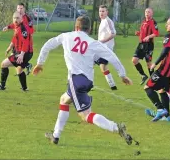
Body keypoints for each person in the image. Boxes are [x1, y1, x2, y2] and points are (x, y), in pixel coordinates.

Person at [33, 16, 135, 145]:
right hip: (87, 82)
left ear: (76, 27)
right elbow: (112, 56)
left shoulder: (66, 36)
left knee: (86, 115)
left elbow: (48, 45)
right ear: (89, 29)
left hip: (75, 81)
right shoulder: (93, 42)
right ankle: (55, 136)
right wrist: (122, 75)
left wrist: (40, 63)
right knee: (64, 100)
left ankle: (116, 127)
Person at [144, 18, 170, 122]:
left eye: (168, 24)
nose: (166, 26)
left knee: (147, 87)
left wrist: (155, 63)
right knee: (162, 91)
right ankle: (168, 116)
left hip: (164, 70)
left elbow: (165, 51)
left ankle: (160, 109)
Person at [0, 11, 34, 91]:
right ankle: (24, 88)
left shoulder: (22, 29)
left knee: (4, 64)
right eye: (14, 18)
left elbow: (26, 42)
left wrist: (21, 55)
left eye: (17, 18)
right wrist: (9, 48)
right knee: (19, 70)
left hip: (25, 53)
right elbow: (14, 39)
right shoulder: (16, 27)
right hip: (24, 52)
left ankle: (2, 85)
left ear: (22, 19)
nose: (15, 20)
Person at [3, 3, 34, 75]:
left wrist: (25, 34)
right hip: (17, 43)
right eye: (18, 8)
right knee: (15, 59)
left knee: (15, 59)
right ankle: (23, 68)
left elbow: (31, 31)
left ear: (24, 9)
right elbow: (14, 25)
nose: (20, 10)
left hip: (24, 44)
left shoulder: (27, 19)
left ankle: (26, 65)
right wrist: (8, 27)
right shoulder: (17, 17)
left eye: (21, 8)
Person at [133, 8, 159, 85]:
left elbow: (156, 33)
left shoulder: (153, 22)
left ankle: (154, 81)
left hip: (149, 45)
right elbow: (143, 32)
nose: (147, 13)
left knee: (149, 64)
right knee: (134, 60)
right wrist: (139, 33)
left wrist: (148, 37)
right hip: (141, 44)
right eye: (146, 12)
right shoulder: (144, 21)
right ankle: (143, 75)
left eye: (149, 12)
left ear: (152, 13)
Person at [94, 5, 118, 90]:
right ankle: (113, 86)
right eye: (100, 11)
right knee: (102, 66)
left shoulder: (108, 21)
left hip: (105, 49)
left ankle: (86, 83)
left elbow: (113, 33)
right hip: (101, 48)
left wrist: (102, 41)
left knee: (93, 63)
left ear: (107, 12)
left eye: (103, 11)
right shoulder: (103, 21)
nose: (101, 13)